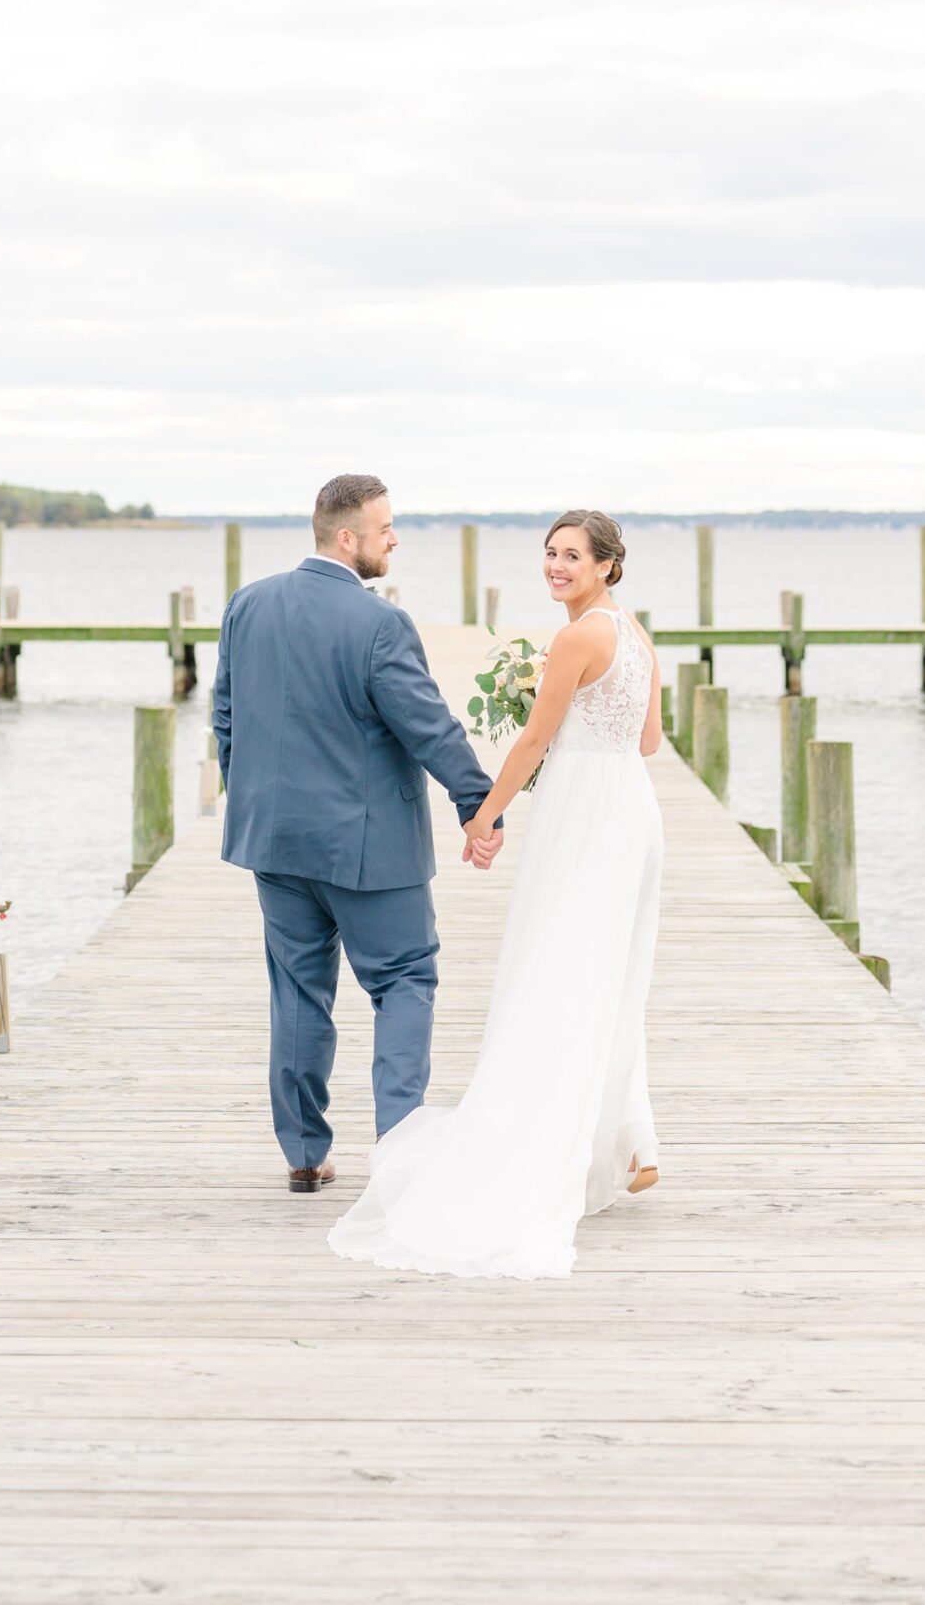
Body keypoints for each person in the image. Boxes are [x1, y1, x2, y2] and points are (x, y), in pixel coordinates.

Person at [328, 509, 665, 1279]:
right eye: (549, 553)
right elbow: (647, 741)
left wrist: (483, 817)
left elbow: (533, 741)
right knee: (606, 974)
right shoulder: (634, 633)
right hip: (630, 806)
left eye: (572, 556)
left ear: (608, 565)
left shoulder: (576, 638)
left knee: (553, 970)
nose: (556, 566)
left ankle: (562, 1141)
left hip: (583, 812)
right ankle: (628, 1140)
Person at [212, 473, 503, 1193]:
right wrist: (477, 802)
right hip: (368, 847)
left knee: (297, 992)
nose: (394, 538)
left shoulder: (246, 606)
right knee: (404, 979)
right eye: (385, 528)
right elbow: (426, 724)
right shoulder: (379, 624)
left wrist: (250, 795)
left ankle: (304, 1154)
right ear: (349, 538)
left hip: (272, 841)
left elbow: (225, 718)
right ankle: (400, 1148)